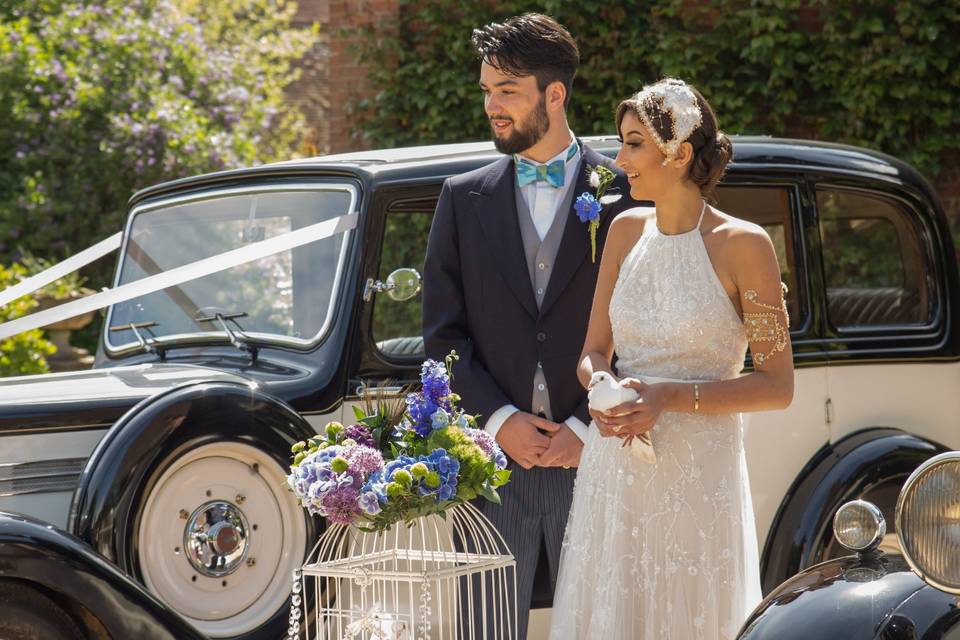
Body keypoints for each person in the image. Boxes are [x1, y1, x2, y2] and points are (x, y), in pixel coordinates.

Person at [549, 78, 795, 639]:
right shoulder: (623, 231)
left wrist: (666, 397)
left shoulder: (746, 245)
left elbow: (777, 385)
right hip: (616, 469)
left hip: (699, 479)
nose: (619, 159)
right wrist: (603, 385)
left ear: (679, 154)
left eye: (634, 143)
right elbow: (591, 353)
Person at [421, 13, 632, 638]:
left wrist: (586, 429)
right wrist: (499, 422)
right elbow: (443, 340)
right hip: (493, 474)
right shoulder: (462, 198)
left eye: (507, 91)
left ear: (554, 94)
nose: (492, 106)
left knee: (599, 627)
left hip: (597, 465)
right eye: (486, 91)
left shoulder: (625, 194)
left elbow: (646, 332)